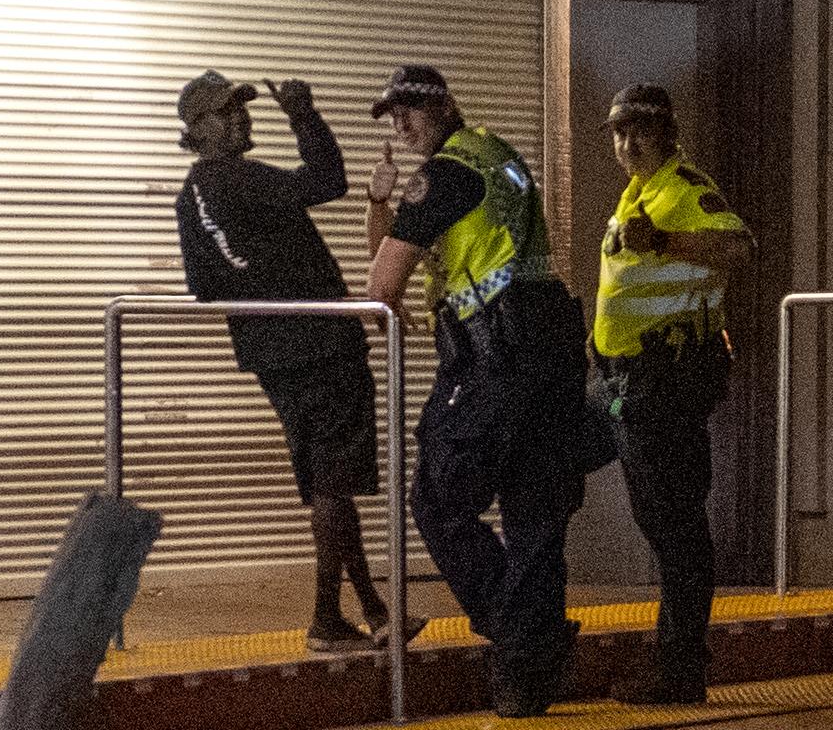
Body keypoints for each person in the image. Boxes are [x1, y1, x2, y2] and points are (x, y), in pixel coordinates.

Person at [173, 69, 425, 653]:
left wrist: (261, 289)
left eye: (242, 107)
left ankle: (367, 611)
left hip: (272, 355)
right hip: (318, 346)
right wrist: (303, 114)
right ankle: (330, 619)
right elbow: (327, 180)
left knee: (326, 486)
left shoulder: (193, 197)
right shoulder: (237, 179)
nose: (241, 118)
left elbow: (207, 287)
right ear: (197, 129)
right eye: (225, 112)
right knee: (333, 483)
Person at [364, 65, 587, 718]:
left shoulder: (445, 174)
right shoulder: (497, 154)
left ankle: (525, 638)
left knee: (437, 500)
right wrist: (381, 202)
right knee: (534, 514)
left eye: (411, 109)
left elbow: (381, 287)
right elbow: (397, 256)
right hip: (548, 350)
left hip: (495, 358)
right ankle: (528, 677)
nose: (401, 124)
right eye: (392, 114)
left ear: (444, 106)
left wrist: (384, 298)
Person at [591, 84, 753, 704]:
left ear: (668, 135)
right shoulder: (637, 192)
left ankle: (681, 670)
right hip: (622, 381)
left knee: (675, 527)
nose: (627, 144)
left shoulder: (685, 190)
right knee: (557, 469)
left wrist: (664, 241)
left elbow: (740, 247)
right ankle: (542, 634)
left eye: (641, 132)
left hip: (665, 384)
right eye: (619, 132)